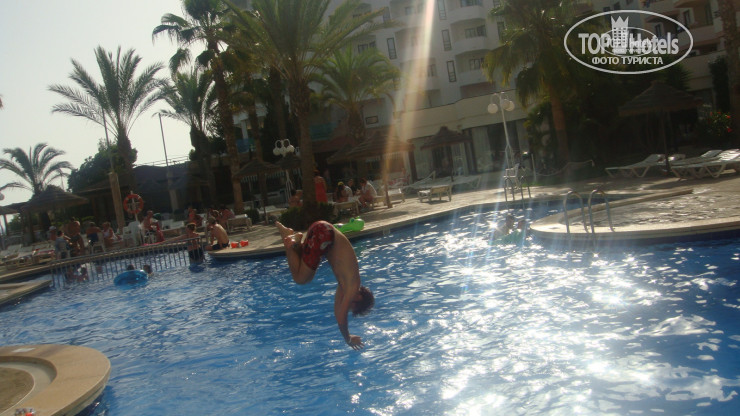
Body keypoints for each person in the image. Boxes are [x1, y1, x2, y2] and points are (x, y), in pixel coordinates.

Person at [276, 220, 374, 350]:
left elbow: (337, 312)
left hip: (323, 231)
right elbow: (341, 318)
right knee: (301, 279)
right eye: (352, 306)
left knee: (304, 275)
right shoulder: (352, 286)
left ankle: (296, 243)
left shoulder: (344, 284)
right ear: (359, 298)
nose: (348, 305)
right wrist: (348, 339)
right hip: (324, 235)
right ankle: (288, 237)